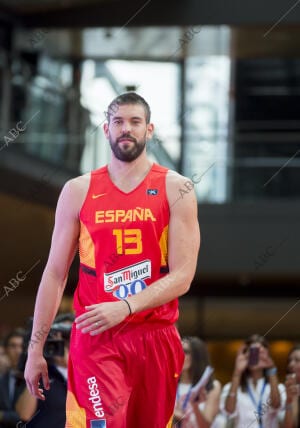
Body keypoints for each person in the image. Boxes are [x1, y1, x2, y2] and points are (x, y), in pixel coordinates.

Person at [24, 92, 200, 427]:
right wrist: (35, 349)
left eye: (135, 122)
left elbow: (184, 275)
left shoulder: (177, 188)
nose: (126, 129)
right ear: (106, 129)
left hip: (155, 335)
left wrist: (127, 306)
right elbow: (54, 274)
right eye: (118, 122)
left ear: (150, 130)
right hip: (96, 335)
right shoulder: (78, 190)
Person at [15, 314, 74, 428]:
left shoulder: (86, 373)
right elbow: (24, 414)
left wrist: (74, 365)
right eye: (62, 338)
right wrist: (37, 356)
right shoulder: (42, 373)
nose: (65, 343)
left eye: (69, 337)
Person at [220, 334, 285, 428]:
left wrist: (271, 368)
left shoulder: (277, 387)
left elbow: (276, 405)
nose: (255, 356)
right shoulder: (232, 387)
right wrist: (237, 372)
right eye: (252, 352)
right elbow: (229, 410)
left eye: (259, 353)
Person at [173, 336, 223, 428]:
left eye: (186, 352)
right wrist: (172, 414)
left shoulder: (212, 386)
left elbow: (205, 426)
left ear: (198, 356)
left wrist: (195, 406)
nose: (180, 354)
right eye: (177, 350)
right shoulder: (170, 385)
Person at [0, 330, 24, 427]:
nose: (18, 351)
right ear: (5, 350)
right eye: (13, 346)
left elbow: (26, 416)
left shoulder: (35, 379)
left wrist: (3, 415)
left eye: (21, 346)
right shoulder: (2, 379)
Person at [280, 344, 300, 428]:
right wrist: (291, 399)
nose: (291, 365)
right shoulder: (288, 390)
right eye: (289, 361)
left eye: (297, 360)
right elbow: (290, 426)